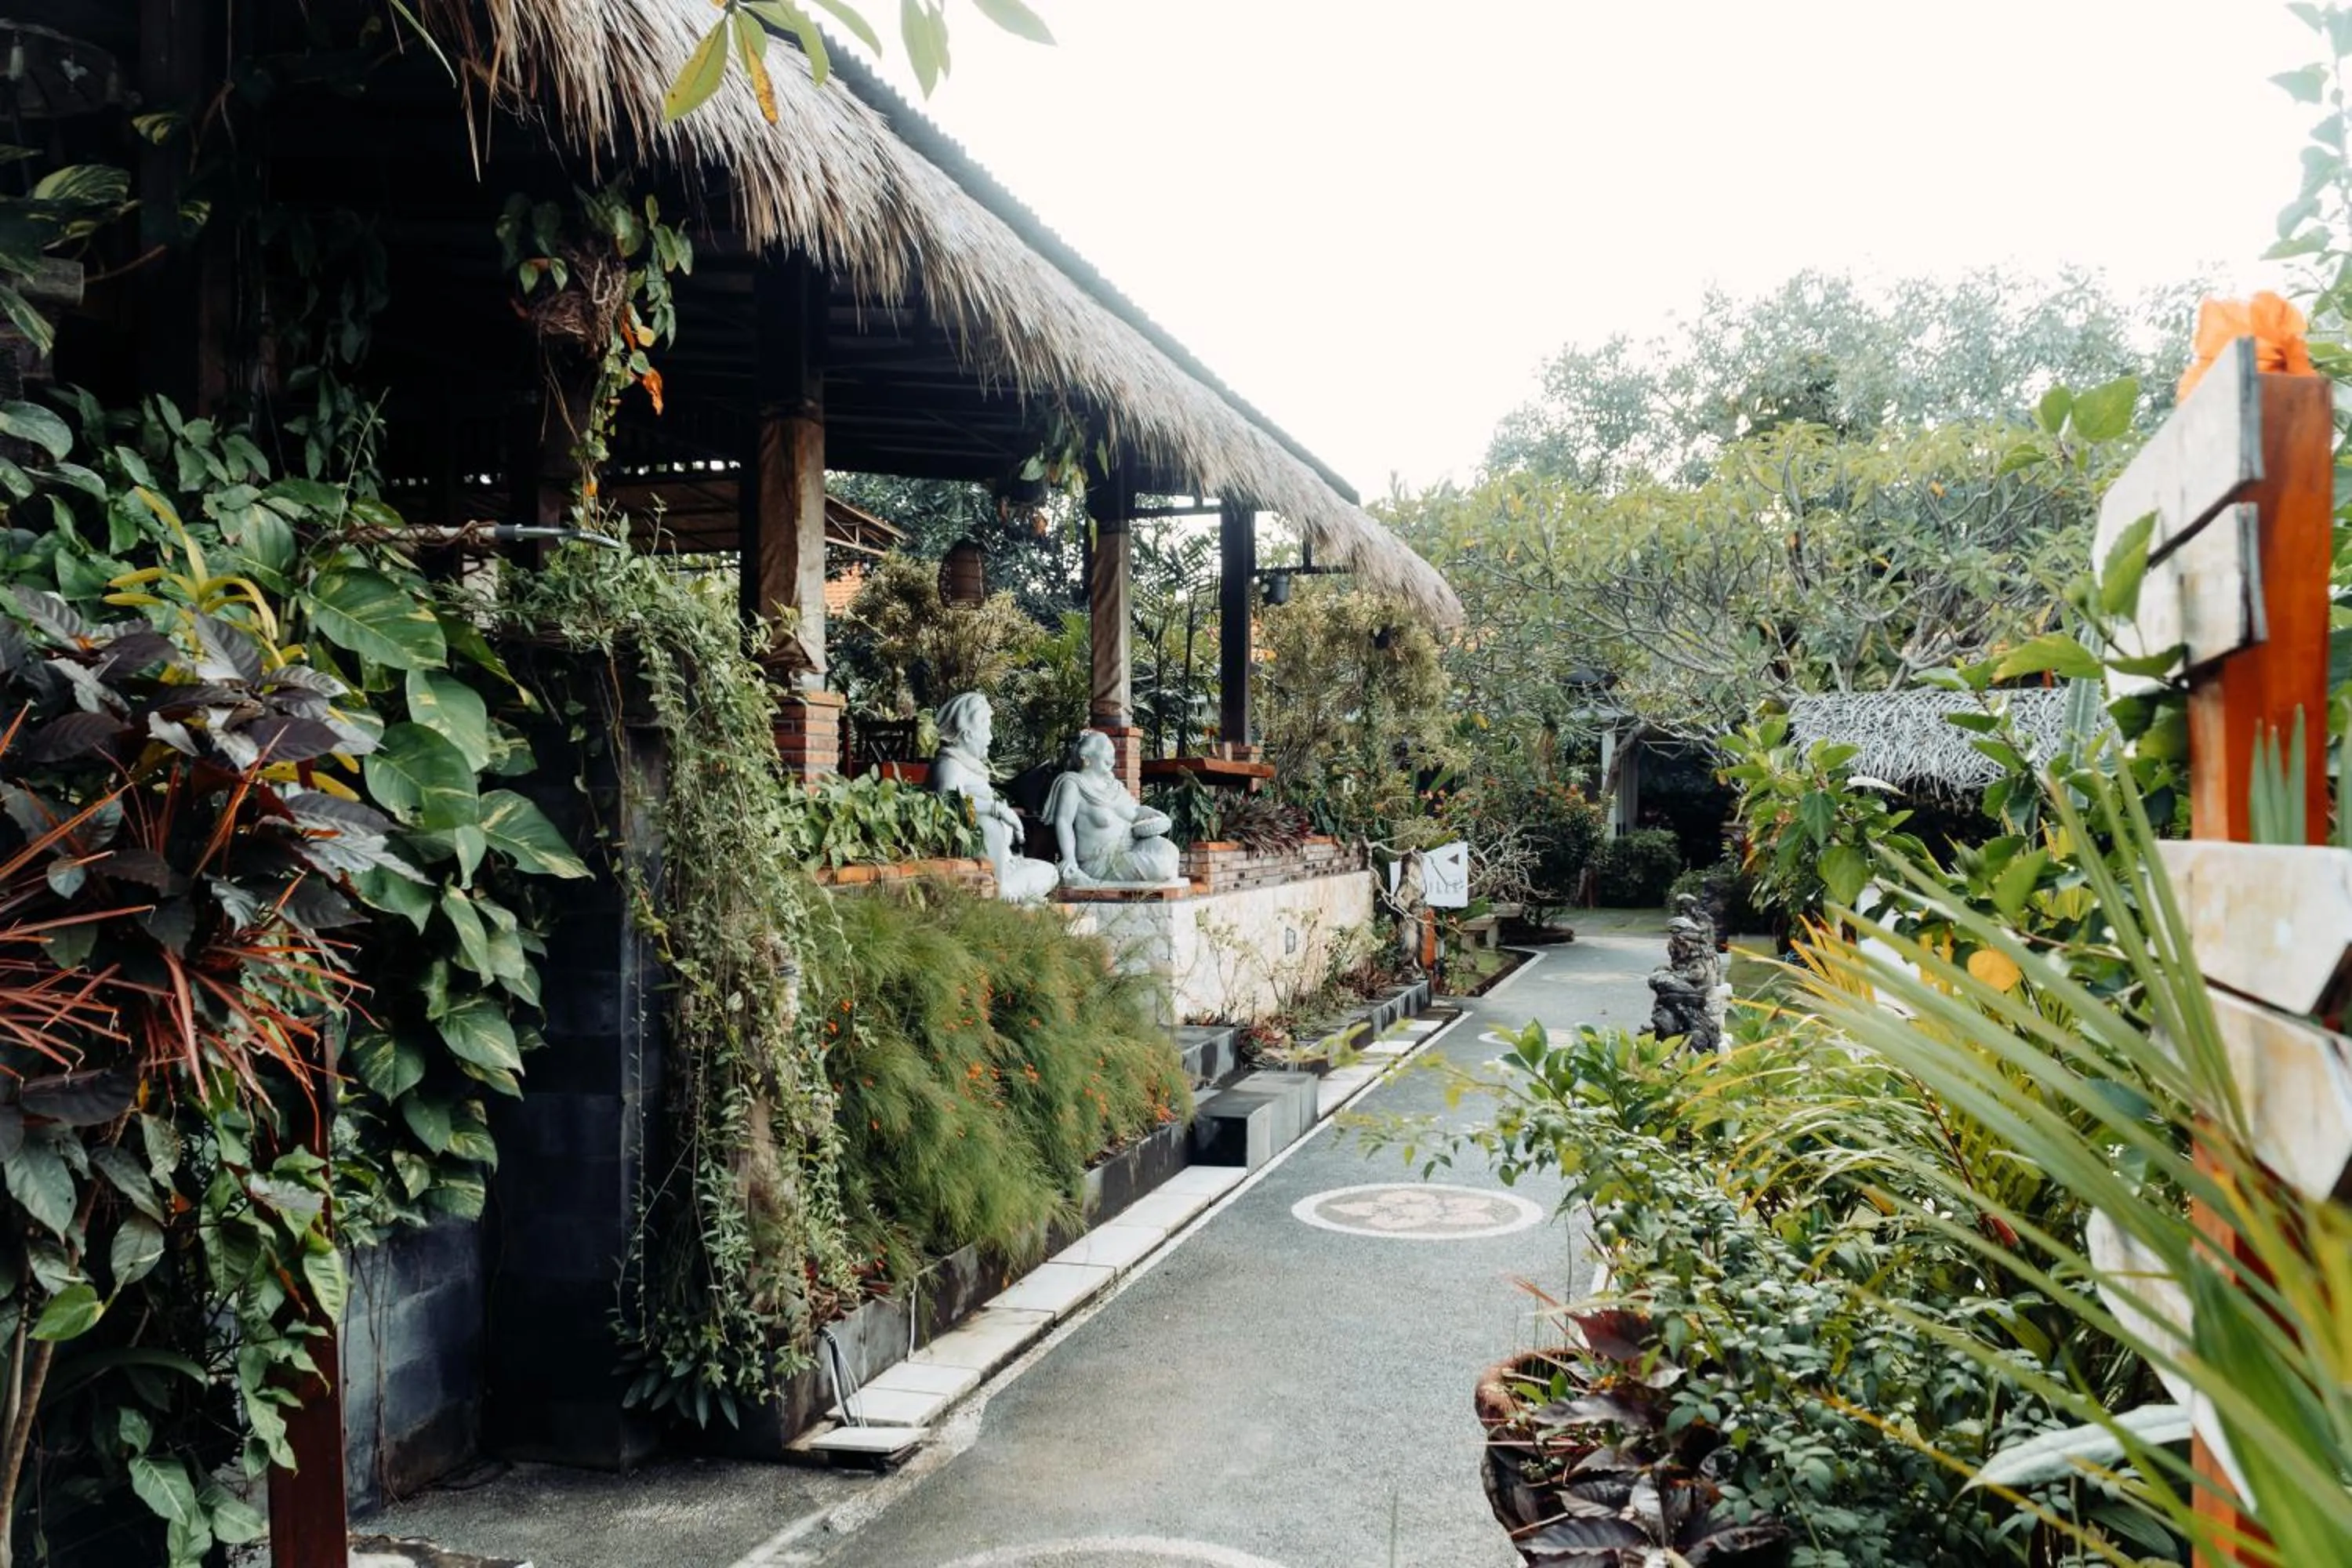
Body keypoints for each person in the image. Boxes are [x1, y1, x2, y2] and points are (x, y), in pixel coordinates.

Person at [928, 692, 1060, 902]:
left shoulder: (967, 765)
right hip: (977, 864)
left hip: (1004, 861)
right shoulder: (949, 766)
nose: (990, 737)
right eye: (986, 729)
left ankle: (1014, 894)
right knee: (988, 824)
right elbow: (947, 801)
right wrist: (996, 810)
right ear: (969, 734)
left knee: (1050, 872)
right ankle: (1004, 894)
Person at [1044, 730, 1181, 885]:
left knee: (1169, 850)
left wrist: (1152, 814)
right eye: (1106, 752)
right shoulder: (1074, 784)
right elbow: (1064, 821)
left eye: (1113, 754)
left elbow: (1135, 812)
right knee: (1160, 868)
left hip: (1131, 849)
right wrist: (1069, 860)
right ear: (1085, 756)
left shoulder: (1115, 786)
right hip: (1101, 862)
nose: (1112, 759)